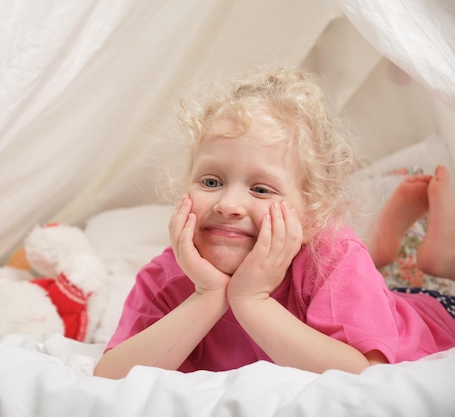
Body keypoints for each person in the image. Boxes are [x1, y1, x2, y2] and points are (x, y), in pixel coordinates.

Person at [92, 65, 455, 379]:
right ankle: (379, 254)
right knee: (367, 284)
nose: (229, 204)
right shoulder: (167, 275)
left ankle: (435, 259)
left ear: (311, 215)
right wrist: (208, 296)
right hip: (363, 293)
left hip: (434, 316)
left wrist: (252, 300)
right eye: (211, 182)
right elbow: (109, 375)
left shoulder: (331, 254)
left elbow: (364, 373)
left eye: (261, 189)